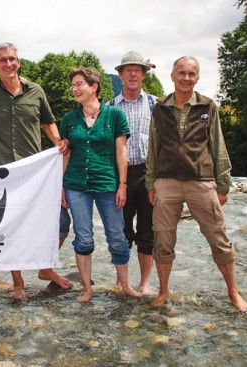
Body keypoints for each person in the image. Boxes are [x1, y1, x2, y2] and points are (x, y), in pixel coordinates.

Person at [145, 56, 247, 311]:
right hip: (166, 181)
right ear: (172, 76)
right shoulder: (159, 107)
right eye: (181, 73)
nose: (186, 78)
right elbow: (153, 146)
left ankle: (233, 293)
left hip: (201, 181)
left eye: (191, 74)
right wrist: (151, 183)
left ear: (197, 78)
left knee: (218, 238)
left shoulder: (208, 106)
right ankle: (162, 292)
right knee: (162, 240)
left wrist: (223, 184)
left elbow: (218, 145)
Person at [0, 42, 71, 300]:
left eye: (12, 58)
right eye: (2, 60)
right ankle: (18, 283)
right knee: (8, 228)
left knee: (60, 221)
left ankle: (44, 266)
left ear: (18, 61)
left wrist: (57, 141)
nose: (8, 63)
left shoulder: (36, 92)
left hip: (33, 172)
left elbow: (47, 121)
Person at [60, 67, 142, 303]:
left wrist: (123, 185)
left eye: (79, 84)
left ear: (94, 86)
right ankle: (87, 289)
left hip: (108, 183)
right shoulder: (69, 119)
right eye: (73, 85)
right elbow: (66, 154)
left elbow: (121, 152)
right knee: (83, 237)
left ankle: (125, 285)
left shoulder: (115, 115)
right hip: (76, 185)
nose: (74, 89)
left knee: (117, 235)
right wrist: (62, 187)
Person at [109, 51, 157, 295]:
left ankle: (145, 283)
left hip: (149, 175)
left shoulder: (156, 104)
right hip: (120, 177)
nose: (133, 73)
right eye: (128, 69)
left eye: (138, 69)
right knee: (121, 230)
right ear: (120, 74)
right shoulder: (109, 108)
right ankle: (122, 281)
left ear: (143, 74)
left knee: (147, 231)